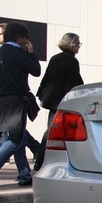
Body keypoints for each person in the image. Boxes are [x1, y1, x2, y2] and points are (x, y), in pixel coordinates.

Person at [0, 22, 41, 189]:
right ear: (19, 37)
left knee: (17, 137)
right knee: (15, 140)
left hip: (2, 101)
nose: (25, 41)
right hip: (17, 102)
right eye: (25, 38)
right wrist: (32, 54)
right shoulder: (19, 53)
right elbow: (36, 70)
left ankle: (24, 174)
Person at [34, 33, 84, 171]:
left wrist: (40, 93)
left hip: (52, 101)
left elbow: (46, 78)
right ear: (73, 44)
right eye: (78, 44)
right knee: (56, 133)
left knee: (50, 131)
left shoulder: (55, 58)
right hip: (63, 101)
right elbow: (71, 83)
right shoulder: (72, 61)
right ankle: (42, 162)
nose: (79, 47)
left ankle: (40, 161)